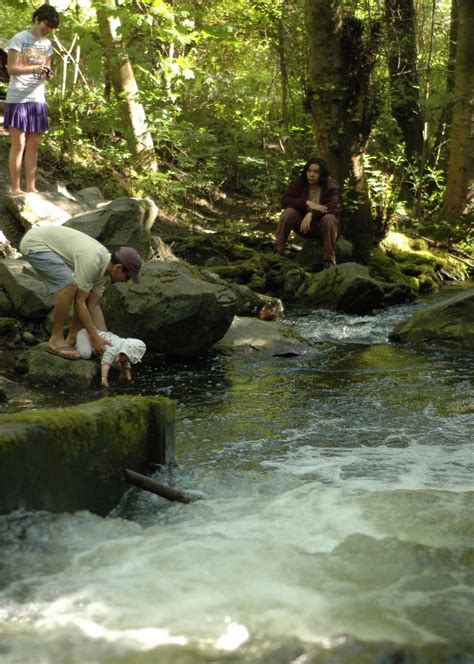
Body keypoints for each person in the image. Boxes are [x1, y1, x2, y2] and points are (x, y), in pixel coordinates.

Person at [19, 225, 142, 360]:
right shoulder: (93, 260)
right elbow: (79, 302)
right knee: (69, 286)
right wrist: (94, 337)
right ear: (118, 268)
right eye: (128, 277)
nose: (126, 281)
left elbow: (93, 305)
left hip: (48, 245)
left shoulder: (103, 270)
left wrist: (108, 344)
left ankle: (71, 339)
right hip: (36, 243)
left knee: (82, 293)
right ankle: (55, 339)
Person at [3, 4, 60, 195]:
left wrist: (48, 74)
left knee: (33, 144)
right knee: (18, 144)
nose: (48, 29)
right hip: (18, 97)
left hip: (37, 98)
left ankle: (31, 187)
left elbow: (46, 72)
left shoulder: (47, 45)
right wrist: (33, 69)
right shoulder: (19, 39)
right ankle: (16, 188)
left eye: (51, 27)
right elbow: (11, 69)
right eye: (47, 24)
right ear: (37, 19)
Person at [274, 157, 341, 268]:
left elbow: (332, 207)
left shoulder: (331, 186)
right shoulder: (299, 182)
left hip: (321, 227)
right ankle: (278, 250)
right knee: (288, 213)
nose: (311, 174)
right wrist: (306, 202)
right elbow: (285, 201)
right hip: (301, 226)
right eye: (309, 171)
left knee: (329, 218)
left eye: (316, 172)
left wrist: (311, 214)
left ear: (322, 174)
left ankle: (329, 259)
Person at [75, 328, 146, 387]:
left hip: (95, 333)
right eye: (126, 360)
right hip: (85, 336)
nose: (126, 362)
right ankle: (77, 348)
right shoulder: (112, 349)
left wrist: (127, 373)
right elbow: (106, 363)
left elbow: (126, 361)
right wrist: (104, 378)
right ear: (124, 353)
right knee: (86, 354)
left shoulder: (123, 348)